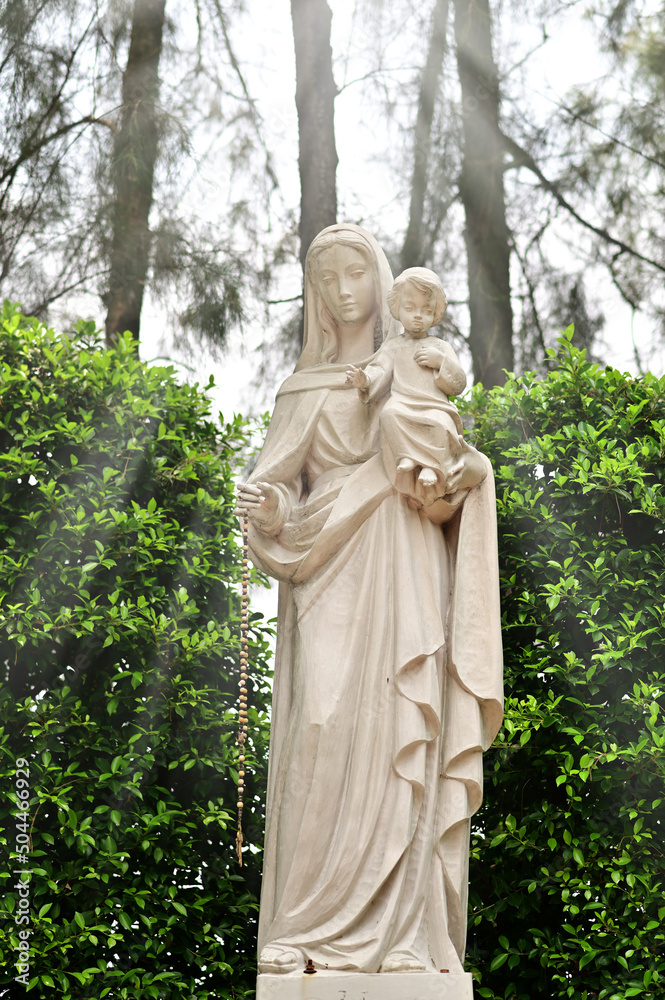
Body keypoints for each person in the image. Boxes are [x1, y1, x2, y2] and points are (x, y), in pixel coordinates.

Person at [235, 224, 503, 978]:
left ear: (381, 281)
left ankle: (407, 936)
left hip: (408, 560)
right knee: (320, 723)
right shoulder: (305, 388)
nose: (344, 289)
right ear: (315, 295)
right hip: (330, 573)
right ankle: (306, 927)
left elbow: (447, 477)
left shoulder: (412, 371)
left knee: (404, 734)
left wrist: (461, 476)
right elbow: (281, 486)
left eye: (356, 272)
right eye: (328, 279)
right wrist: (269, 512)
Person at [346, 266, 468, 500]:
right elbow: (379, 370)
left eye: (426, 309)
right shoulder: (393, 347)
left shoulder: (441, 347)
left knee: (441, 424)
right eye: (410, 308)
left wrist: (440, 361)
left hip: (434, 406)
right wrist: (365, 380)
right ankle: (407, 456)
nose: (418, 316)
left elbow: (459, 384)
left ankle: (432, 466)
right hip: (404, 403)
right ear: (398, 310)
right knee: (389, 415)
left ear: (435, 313)